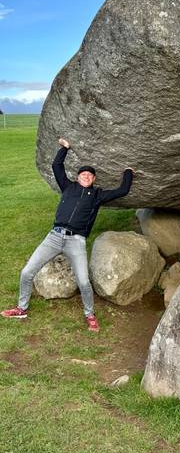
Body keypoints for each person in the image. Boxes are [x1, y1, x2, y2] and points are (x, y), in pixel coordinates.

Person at [1, 138, 134, 331]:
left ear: (93, 180)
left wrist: (129, 172)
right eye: (83, 174)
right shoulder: (68, 187)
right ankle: (21, 308)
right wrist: (65, 148)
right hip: (54, 237)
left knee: (83, 281)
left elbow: (123, 190)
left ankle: (90, 315)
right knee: (27, 272)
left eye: (90, 175)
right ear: (78, 177)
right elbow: (57, 165)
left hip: (76, 241)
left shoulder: (97, 196)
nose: (86, 176)